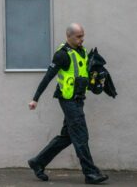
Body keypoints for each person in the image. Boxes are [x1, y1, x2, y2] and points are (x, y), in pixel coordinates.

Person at [27, 23, 108, 185]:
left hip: (79, 99)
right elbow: (48, 77)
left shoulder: (82, 51)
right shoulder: (62, 55)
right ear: (69, 36)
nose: (82, 39)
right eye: (78, 36)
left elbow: (83, 73)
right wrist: (35, 98)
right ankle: (90, 173)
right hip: (68, 101)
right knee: (81, 135)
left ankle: (38, 162)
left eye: (82, 35)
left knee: (67, 136)